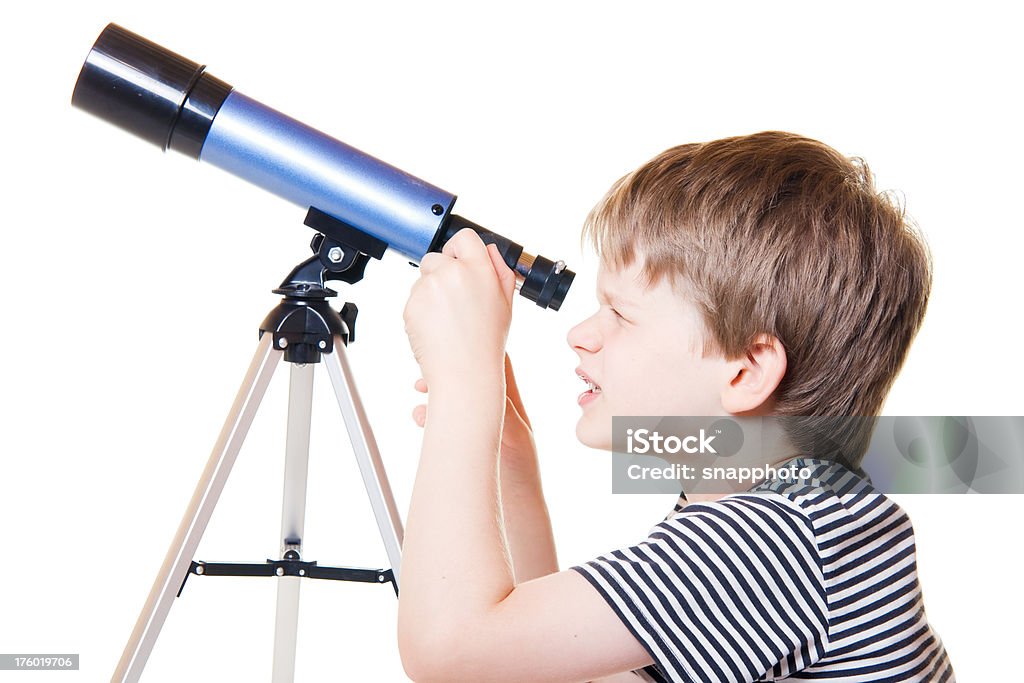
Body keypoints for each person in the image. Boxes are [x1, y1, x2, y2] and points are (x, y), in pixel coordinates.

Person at [398, 131, 954, 682]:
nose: (581, 335)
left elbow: (451, 654)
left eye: (621, 314)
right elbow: (538, 666)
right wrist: (508, 461)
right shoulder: (794, 517)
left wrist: (463, 391)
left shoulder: (778, 544)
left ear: (745, 371)